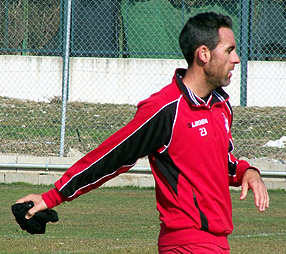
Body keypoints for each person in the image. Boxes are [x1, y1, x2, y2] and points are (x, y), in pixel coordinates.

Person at [16, 12, 269, 253]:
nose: (236, 58)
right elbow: (112, 155)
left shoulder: (221, 105)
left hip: (217, 243)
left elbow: (220, 161)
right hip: (186, 243)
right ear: (203, 54)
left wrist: (246, 172)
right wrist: (53, 196)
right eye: (229, 50)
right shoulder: (165, 109)